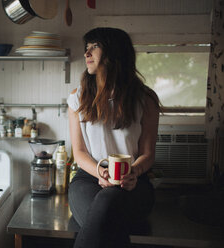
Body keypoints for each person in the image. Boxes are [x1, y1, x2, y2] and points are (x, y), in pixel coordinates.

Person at [67, 27, 160, 248]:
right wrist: (100, 171)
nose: (86, 54)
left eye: (94, 47)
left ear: (114, 53)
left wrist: (133, 173)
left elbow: (148, 154)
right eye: (86, 49)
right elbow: (79, 153)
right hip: (89, 178)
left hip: (134, 183)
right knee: (106, 217)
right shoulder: (77, 98)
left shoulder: (145, 99)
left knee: (106, 205)